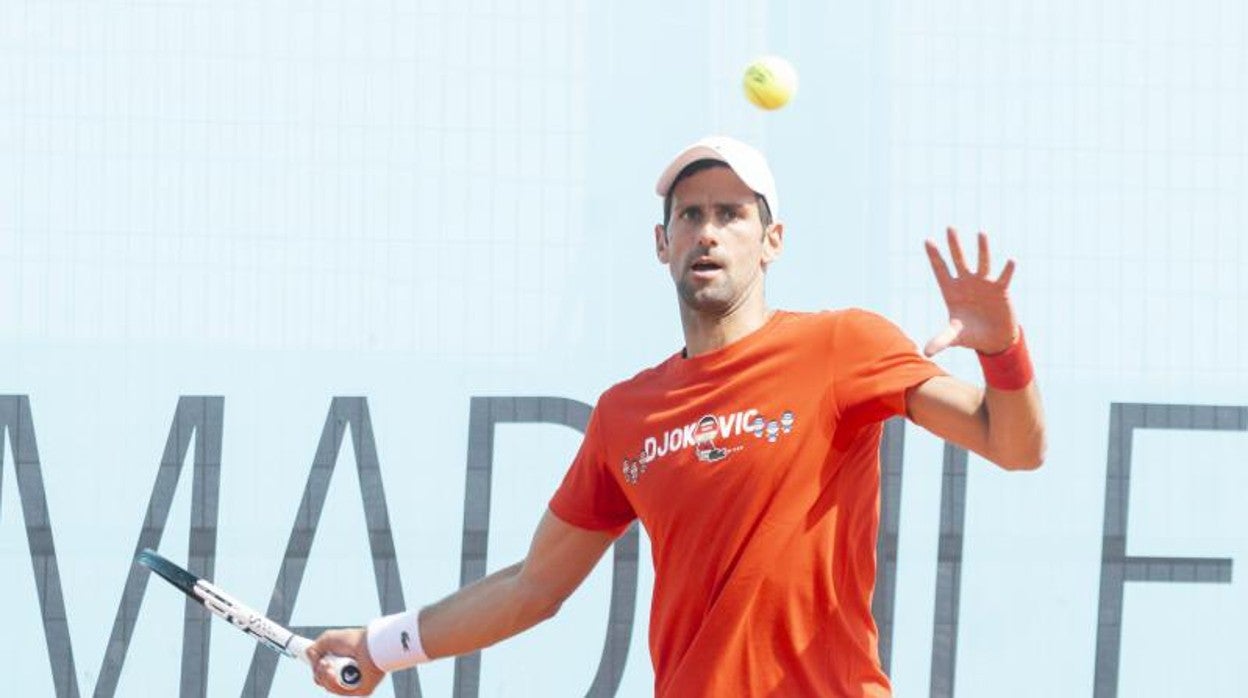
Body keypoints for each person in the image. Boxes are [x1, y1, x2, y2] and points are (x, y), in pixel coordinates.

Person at [306, 135, 1046, 697]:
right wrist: (380, 647)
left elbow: (1013, 447)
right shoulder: (626, 414)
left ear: (772, 241)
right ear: (663, 244)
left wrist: (1003, 349)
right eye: (690, 215)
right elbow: (533, 586)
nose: (709, 231)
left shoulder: (843, 346)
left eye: (732, 214)